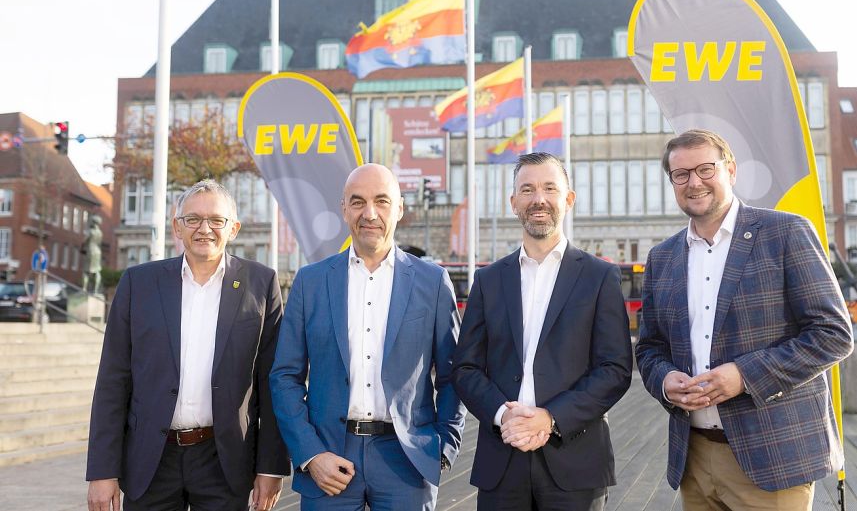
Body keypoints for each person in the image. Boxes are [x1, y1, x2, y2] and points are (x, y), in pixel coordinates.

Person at [635, 129, 854, 510]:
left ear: (731, 170)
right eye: (681, 174)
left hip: (773, 457)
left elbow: (833, 334)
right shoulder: (662, 257)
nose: (694, 182)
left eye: (706, 169)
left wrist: (744, 375)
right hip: (694, 458)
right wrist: (665, 381)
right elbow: (651, 346)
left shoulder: (785, 232)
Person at [270, 164, 465, 511]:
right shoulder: (311, 282)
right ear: (343, 208)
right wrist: (311, 454)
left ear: (400, 208)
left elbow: (454, 375)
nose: (369, 213)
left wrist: (444, 447)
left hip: (406, 460)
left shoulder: (433, 283)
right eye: (357, 202)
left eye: (382, 201)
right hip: (329, 458)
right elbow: (285, 376)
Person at [86, 179, 289, 511]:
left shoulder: (260, 283)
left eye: (216, 220)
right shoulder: (139, 283)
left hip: (225, 461)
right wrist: (102, 471)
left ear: (233, 228)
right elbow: (112, 381)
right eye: (192, 219)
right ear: (176, 227)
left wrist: (271, 467)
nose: (204, 228)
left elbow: (272, 382)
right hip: (151, 461)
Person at [452, 152, 633, 511]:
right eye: (528, 189)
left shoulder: (600, 277)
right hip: (502, 460)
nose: (539, 199)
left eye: (550, 188)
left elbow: (614, 370)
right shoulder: (488, 280)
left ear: (568, 199)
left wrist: (549, 419)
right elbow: (465, 368)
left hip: (575, 462)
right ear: (513, 202)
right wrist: (505, 417)